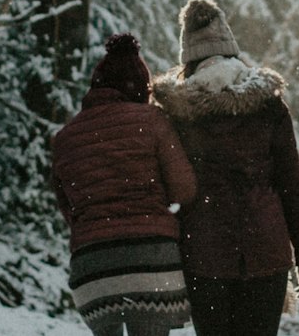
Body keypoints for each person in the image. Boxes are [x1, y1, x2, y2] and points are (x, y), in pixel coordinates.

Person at [152, 0, 299, 336]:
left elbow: (168, 185)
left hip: (205, 255)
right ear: (231, 50)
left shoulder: (178, 113)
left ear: (189, 57)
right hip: (266, 253)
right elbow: (292, 185)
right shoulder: (269, 106)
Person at [52, 32, 199, 336]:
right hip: (151, 259)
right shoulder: (153, 121)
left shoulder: (65, 138)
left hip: (93, 267)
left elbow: (68, 206)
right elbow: (185, 189)